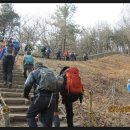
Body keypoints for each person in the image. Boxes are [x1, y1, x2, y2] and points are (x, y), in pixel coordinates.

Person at [23, 62, 56, 127]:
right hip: (52, 98)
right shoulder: (51, 73)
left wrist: (26, 95)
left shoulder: (34, 72)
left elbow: (27, 85)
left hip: (41, 97)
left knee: (30, 115)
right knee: (47, 122)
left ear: (34, 67)